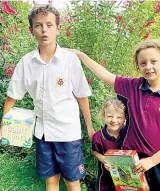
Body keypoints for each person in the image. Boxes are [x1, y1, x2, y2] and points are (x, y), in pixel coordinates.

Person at [0, 4, 95, 191]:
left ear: (58, 28)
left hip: (68, 133)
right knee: (51, 180)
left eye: (49, 25)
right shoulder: (26, 63)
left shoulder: (69, 60)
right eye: (38, 25)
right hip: (42, 132)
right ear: (31, 30)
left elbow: (82, 96)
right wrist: (4, 125)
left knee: (72, 181)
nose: (44, 30)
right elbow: (12, 97)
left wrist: (90, 128)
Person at [69, 39, 160, 191]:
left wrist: (151, 161)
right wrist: (81, 55)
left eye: (153, 61)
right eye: (143, 63)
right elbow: (106, 75)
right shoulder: (133, 86)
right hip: (131, 162)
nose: (148, 66)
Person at [92, 97, 126, 191]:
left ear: (125, 118)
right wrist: (104, 159)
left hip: (125, 178)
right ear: (104, 116)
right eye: (110, 116)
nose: (114, 120)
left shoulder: (128, 135)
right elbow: (95, 151)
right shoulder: (98, 136)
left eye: (119, 117)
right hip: (105, 179)